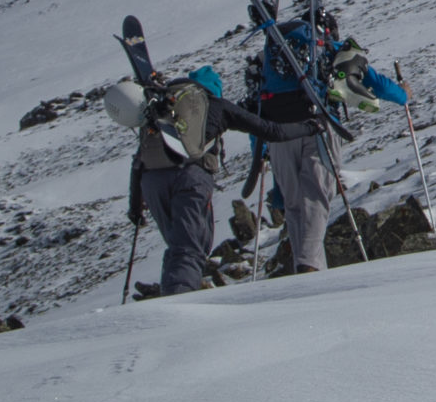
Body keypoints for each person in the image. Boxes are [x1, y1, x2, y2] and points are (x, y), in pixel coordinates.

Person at [108, 63, 318, 297]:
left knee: (178, 246)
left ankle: (171, 295)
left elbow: (139, 161)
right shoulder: (215, 105)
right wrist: (309, 128)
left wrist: (135, 207)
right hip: (190, 178)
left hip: (151, 182)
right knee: (189, 247)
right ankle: (179, 303)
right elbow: (272, 131)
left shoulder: (161, 106)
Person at [252, 11, 407, 271]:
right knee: (316, 195)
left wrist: (261, 150)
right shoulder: (328, 48)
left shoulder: (273, 58)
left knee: (293, 202)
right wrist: (403, 95)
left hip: (276, 129)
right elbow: (376, 83)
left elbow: (256, 102)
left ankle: (310, 268)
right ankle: (309, 266)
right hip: (317, 125)